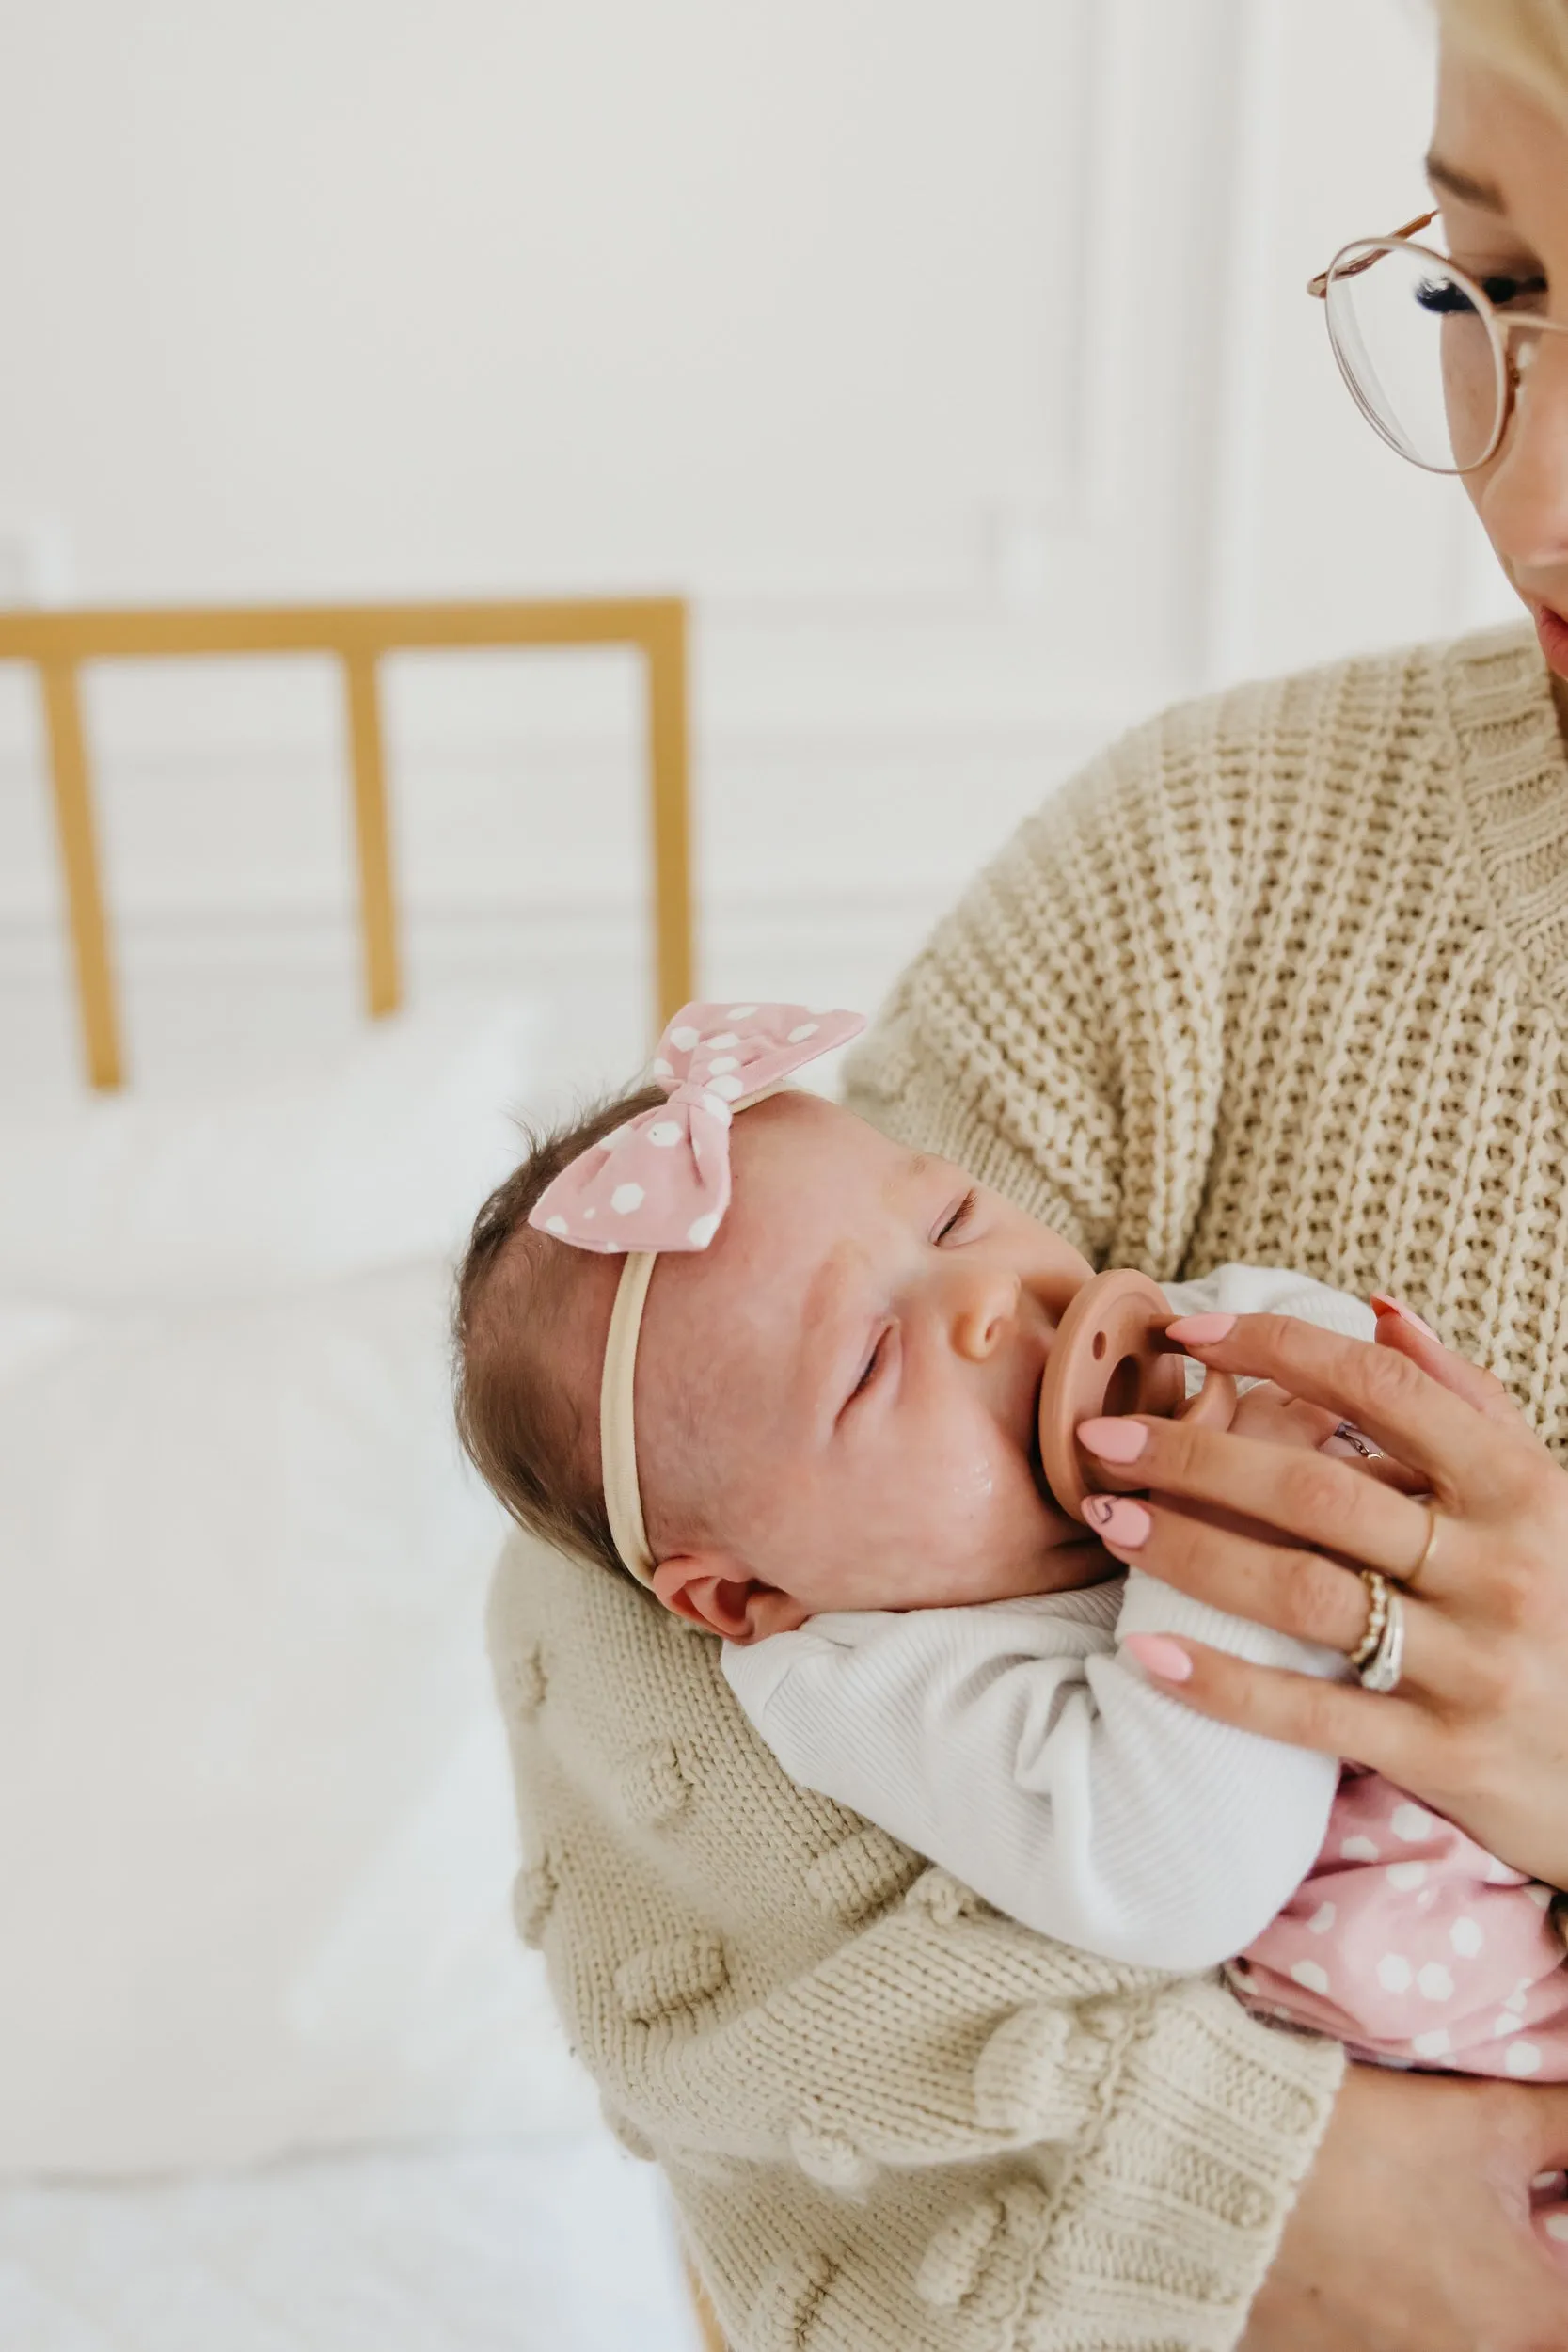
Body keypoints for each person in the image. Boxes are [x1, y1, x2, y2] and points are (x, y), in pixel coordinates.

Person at [480, 8, 1568, 2344]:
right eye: (1494, 292)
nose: (1536, 494)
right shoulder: (1205, 871)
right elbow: (632, 1663)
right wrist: (1267, 2198)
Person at [461, 1003, 1568, 2109]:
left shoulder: (1180, 1352)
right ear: (745, 1591)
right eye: (865, 1366)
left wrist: (1292, 1386)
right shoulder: (860, 1676)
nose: (981, 1298)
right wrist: (1226, 1550)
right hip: (1487, 2064)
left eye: (948, 1218)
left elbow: (1357, 1368)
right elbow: (1171, 1878)